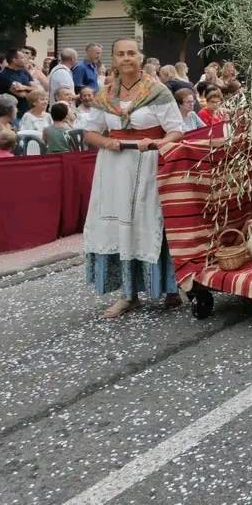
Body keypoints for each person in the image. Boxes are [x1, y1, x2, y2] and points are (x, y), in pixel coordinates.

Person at [81, 38, 186, 318]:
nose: (126, 58)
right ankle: (128, 295)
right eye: (120, 54)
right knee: (120, 227)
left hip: (148, 164)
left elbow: (176, 130)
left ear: (140, 57)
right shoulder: (104, 95)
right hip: (114, 167)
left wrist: (154, 143)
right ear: (113, 59)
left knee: (150, 222)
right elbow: (90, 132)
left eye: (131, 53)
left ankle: (170, 289)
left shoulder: (158, 91)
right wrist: (107, 143)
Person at [0, 49, 36, 117]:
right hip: (13, 114)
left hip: (28, 112)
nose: (26, 59)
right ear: (14, 60)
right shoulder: (5, 75)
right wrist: (33, 91)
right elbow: (22, 95)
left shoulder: (23, 71)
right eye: (22, 57)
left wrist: (24, 87)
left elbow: (36, 88)